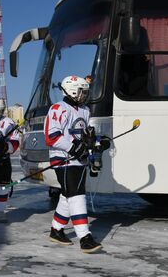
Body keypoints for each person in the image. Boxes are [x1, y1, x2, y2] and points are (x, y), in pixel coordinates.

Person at [44, 75, 102, 253]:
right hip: (63, 160)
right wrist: (73, 147)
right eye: (82, 92)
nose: (85, 95)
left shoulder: (84, 110)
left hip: (79, 160)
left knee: (67, 194)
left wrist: (96, 143)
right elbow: (51, 137)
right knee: (76, 195)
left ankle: (56, 229)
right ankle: (84, 237)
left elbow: (86, 133)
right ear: (72, 91)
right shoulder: (58, 109)